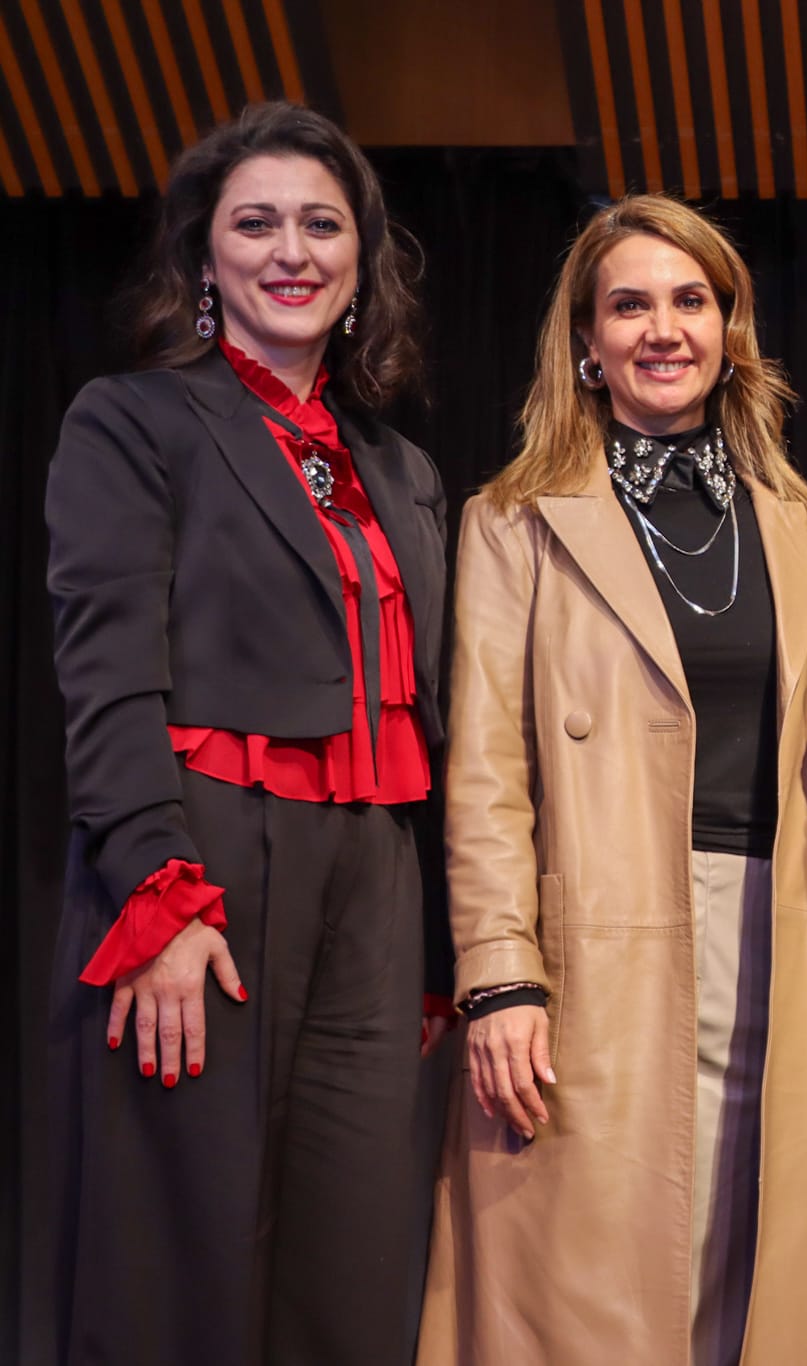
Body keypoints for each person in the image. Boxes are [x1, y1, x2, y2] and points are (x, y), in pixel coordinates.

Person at [416, 193, 807, 1366]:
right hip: (593, 951)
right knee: (595, 1303)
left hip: (782, 944)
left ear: (730, 329)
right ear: (586, 339)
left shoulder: (804, 527)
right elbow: (485, 772)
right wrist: (497, 976)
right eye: (629, 305)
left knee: (753, 1293)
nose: (664, 328)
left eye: (691, 301)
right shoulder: (513, 522)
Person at [44, 102, 449, 1364]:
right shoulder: (132, 421)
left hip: (376, 876)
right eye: (256, 223)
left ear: (361, 261)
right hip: (205, 860)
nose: (291, 251)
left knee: (357, 1254)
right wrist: (160, 892)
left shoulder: (401, 470)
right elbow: (109, 679)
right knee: (185, 1251)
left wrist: (440, 938)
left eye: (321, 225)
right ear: (204, 257)